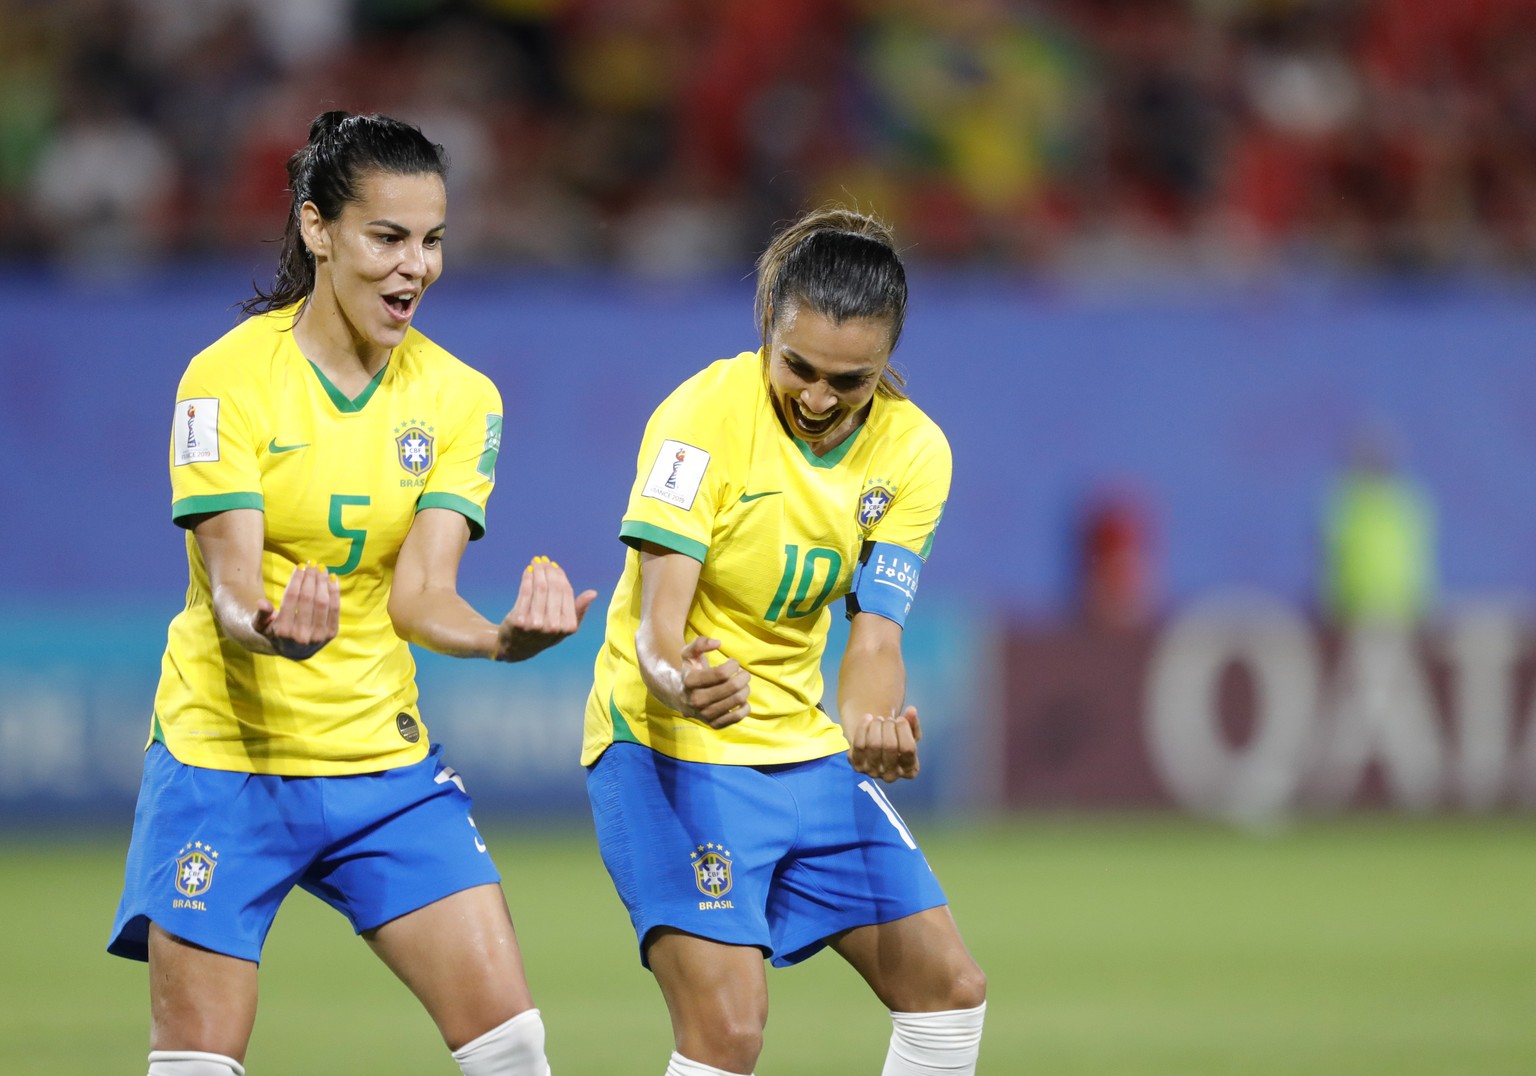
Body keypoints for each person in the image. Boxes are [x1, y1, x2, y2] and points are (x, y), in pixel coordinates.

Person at [108, 111, 597, 1076]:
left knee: (513, 1048)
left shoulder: (463, 398)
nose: (415, 267)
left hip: (382, 768)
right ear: (316, 229)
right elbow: (233, 588)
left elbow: (421, 597)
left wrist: (503, 641)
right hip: (225, 763)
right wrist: (272, 631)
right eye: (387, 237)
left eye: (433, 241)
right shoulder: (225, 379)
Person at [582, 206, 987, 1076]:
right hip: (669, 745)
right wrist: (678, 679)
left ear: (885, 364)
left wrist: (871, 729)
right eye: (797, 366)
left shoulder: (916, 454)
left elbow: (875, 636)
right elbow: (658, 631)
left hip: (800, 748)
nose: (815, 398)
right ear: (767, 327)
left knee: (949, 993)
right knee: (729, 1032)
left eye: (850, 381)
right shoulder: (701, 418)